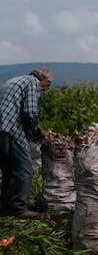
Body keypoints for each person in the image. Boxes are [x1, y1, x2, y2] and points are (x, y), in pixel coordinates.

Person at [0, 68, 52, 219]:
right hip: (10, 128)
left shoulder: (15, 80)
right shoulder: (32, 82)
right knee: (24, 169)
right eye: (46, 85)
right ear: (42, 80)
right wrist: (37, 131)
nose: (44, 89)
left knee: (9, 170)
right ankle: (19, 208)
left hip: (2, 129)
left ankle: (6, 205)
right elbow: (29, 111)